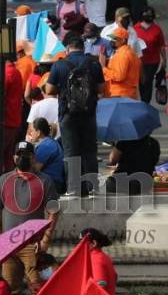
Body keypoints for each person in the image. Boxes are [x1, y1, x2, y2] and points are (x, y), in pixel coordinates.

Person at [0, 144, 59, 295]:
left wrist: (46, 239)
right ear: (14, 157)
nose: (22, 158)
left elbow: (53, 212)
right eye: (19, 154)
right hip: (9, 246)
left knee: (38, 290)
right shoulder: (4, 180)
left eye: (27, 154)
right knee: (11, 292)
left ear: (33, 157)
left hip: (33, 246)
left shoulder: (45, 181)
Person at [46, 33, 105, 196]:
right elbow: (101, 90)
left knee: (71, 150)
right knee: (89, 150)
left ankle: (73, 188)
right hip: (89, 113)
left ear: (67, 49)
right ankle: (92, 187)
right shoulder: (94, 64)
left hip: (67, 114)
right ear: (83, 47)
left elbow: (49, 90)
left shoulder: (59, 65)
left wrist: (64, 91)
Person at [133, 6, 166, 104]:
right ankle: (142, 100)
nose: (149, 15)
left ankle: (145, 102)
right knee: (140, 81)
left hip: (152, 61)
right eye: (147, 13)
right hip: (139, 60)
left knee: (147, 81)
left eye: (151, 13)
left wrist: (164, 60)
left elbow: (161, 46)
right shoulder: (135, 28)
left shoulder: (157, 29)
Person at [29, 120, 66, 195]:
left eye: (32, 131)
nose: (30, 133)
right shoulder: (48, 142)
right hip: (50, 183)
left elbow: (35, 169)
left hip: (51, 184)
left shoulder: (46, 146)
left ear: (38, 133)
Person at [103, 28, 141, 99]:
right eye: (111, 39)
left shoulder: (123, 55)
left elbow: (119, 76)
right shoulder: (128, 52)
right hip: (125, 93)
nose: (112, 41)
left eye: (115, 39)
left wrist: (104, 70)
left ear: (123, 40)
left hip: (120, 94)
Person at [81, 228, 116, 295]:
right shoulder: (103, 256)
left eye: (82, 243)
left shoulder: (95, 260)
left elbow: (100, 287)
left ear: (94, 243)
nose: (78, 246)